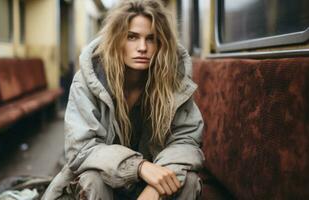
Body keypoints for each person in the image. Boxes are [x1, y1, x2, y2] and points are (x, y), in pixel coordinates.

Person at [43, 0, 204, 199]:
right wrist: (138, 167)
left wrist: (155, 188)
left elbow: (187, 139)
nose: (142, 47)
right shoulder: (89, 79)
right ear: (117, 39)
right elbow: (80, 148)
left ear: (161, 43)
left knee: (188, 180)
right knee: (92, 179)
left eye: (151, 39)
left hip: (153, 180)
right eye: (132, 37)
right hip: (108, 179)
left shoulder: (174, 80)